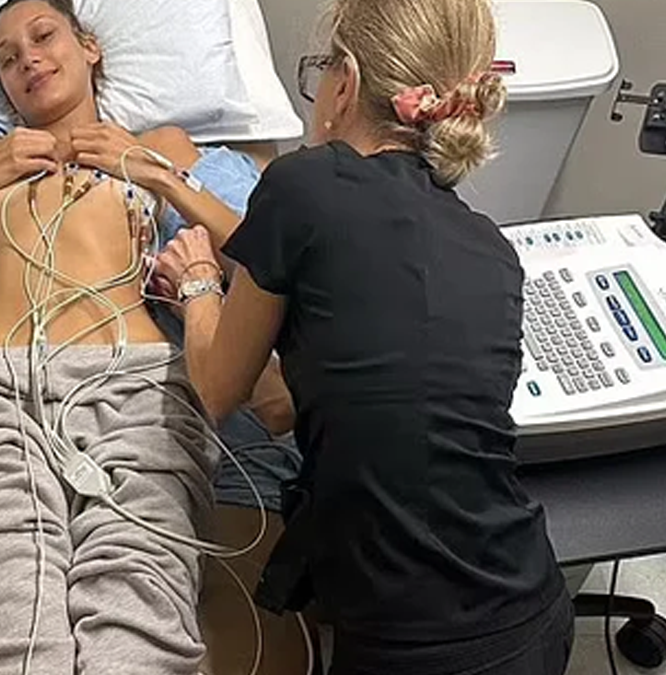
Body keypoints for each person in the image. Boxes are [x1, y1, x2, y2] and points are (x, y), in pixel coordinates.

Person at [0, 1, 291, 672]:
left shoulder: (161, 146)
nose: (27, 59)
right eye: (6, 58)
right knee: (7, 621)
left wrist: (154, 173)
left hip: (137, 386)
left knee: (141, 624)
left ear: (89, 47)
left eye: (43, 36)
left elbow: (266, 264)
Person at [154, 0, 573, 673]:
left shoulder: (303, 183)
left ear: (344, 82)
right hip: (532, 611)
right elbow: (287, 401)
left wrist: (199, 284)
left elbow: (214, 390)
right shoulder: (490, 247)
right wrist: (173, 191)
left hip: (414, 649)